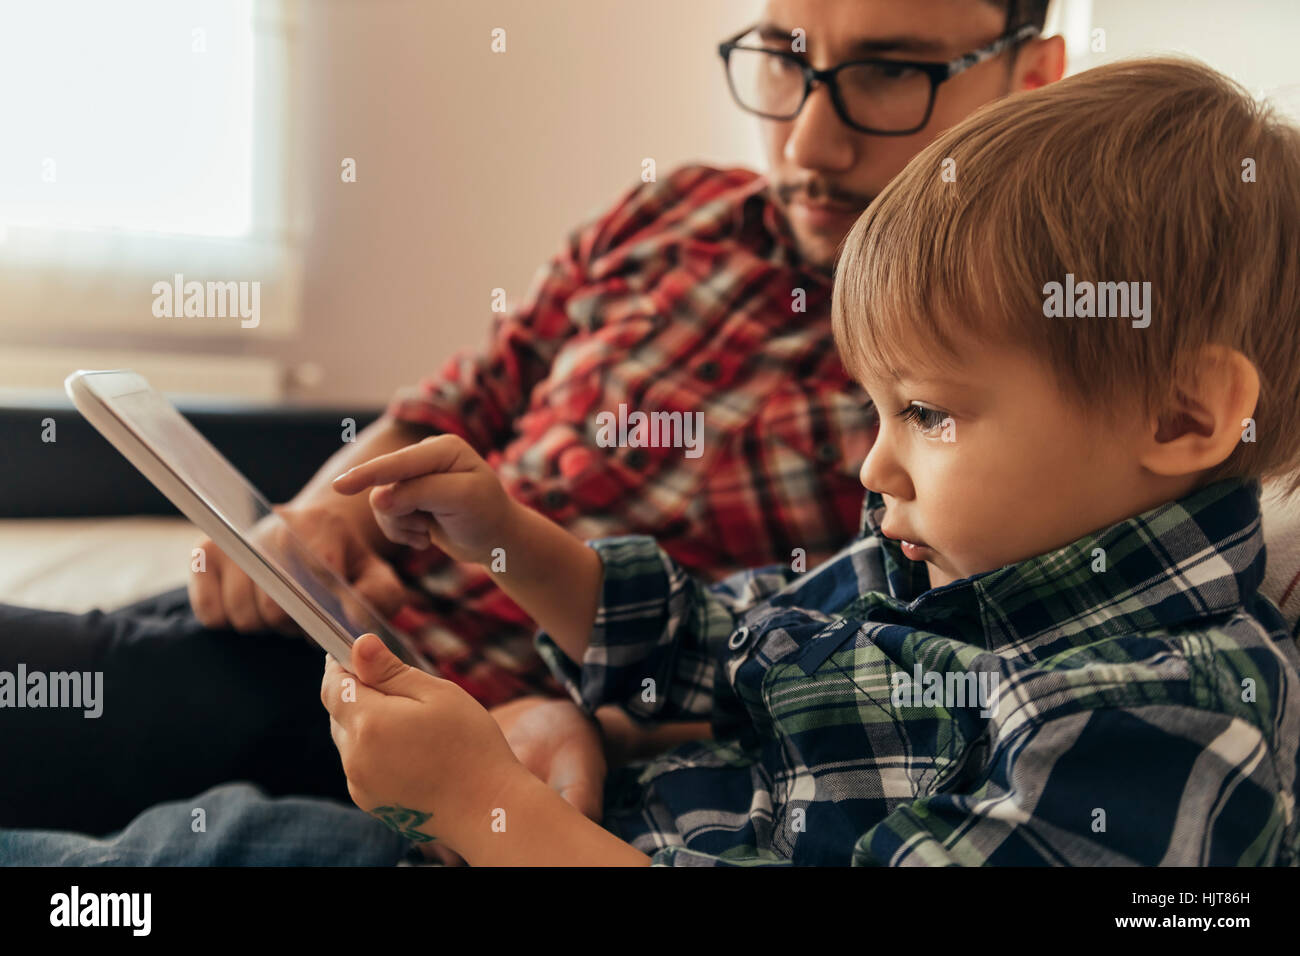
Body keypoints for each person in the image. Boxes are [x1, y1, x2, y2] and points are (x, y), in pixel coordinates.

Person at [8, 54, 1298, 866]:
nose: (875, 465)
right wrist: (502, 532)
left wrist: (484, 806)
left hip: (516, 804)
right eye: (791, 63)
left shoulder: (1169, 719)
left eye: (931, 414)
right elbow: (713, 637)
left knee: (201, 841)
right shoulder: (939, 561)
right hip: (496, 786)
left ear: (1184, 417)